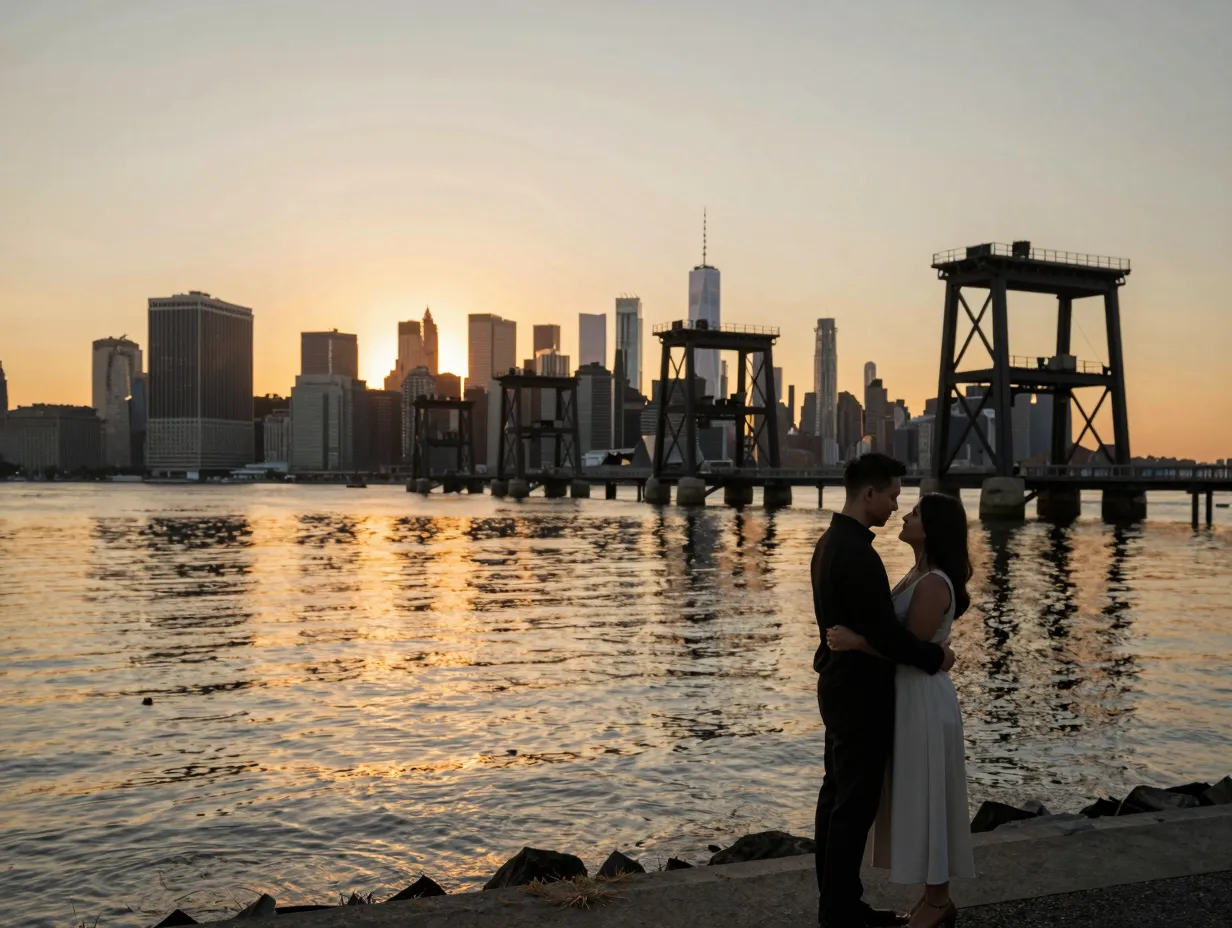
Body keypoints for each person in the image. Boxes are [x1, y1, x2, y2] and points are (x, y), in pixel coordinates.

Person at [812, 454, 955, 928]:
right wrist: (938, 658)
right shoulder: (857, 555)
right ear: (868, 494)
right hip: (859, 693)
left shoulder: (830, 543)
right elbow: (891, 638)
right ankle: (841, 912)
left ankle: (838, 905)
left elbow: (871, 630)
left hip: (839, 686)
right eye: (893, 494)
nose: (897, 504)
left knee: (837, 797)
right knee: (852, 805)